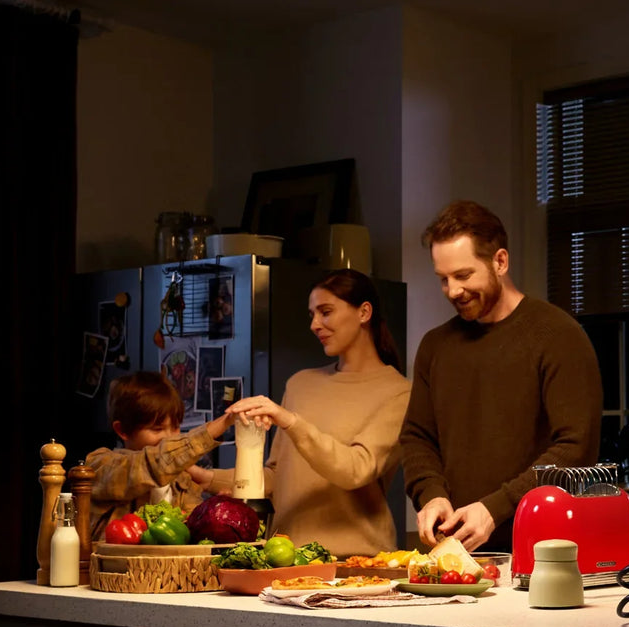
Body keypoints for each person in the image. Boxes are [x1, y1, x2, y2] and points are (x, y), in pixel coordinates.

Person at [401, 200, 602, 552]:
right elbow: (417, 438)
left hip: (542, 555)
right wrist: (431, 495)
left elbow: (576, 448)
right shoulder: (435, 346)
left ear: (500, 262)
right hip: (452, 557)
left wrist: (496, 508)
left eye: (463, 275)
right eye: (443, 279)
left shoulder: (557, 335)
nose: (453, 290)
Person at [210, 270, 411, 558]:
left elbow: (356, 470)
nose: (315, 324)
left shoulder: (398, 392)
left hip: (355, 563)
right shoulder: (300, 383)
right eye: (312, 314)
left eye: (325, 312)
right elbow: (277, 477)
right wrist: (205, 477)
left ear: (364, 312)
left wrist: (291, 422)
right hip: (283, 556)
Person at [86, 372, 234, 541]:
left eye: (176, 427)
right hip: (114, 566)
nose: (170, 437)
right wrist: (218, 426)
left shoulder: (182, 480)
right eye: (157, 429)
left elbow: (191, 530)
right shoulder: (100, 464)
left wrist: (214, 510)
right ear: (122, 430)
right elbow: (152, 464)